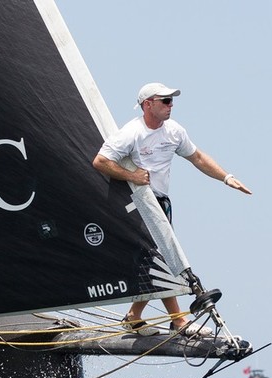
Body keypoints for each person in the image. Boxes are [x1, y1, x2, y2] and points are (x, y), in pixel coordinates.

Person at [92, 82, 251, 335]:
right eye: (165, 101)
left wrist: (226, 177)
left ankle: (134, 317)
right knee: (162, 258)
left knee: (156, 260)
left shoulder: (174, 131)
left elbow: (197, 157)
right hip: (138, 203)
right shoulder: (131, 133)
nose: (171, 105)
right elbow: (100, 161)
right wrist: (130, 176)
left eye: (171, 100)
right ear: (148, 105)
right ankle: (178, 321)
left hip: (161, 202)